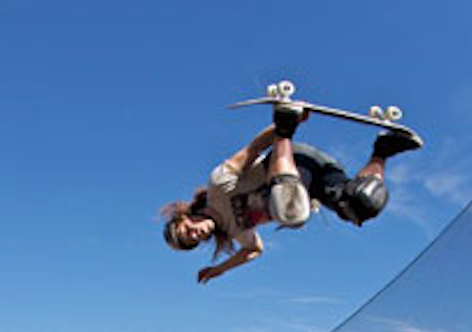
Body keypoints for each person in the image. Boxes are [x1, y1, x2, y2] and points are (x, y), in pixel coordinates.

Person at [163, 104, 421, 283]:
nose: (196, 235)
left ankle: (284, 129)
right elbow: (253, 251)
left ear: (185, 215)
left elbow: (251, 150)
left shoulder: (218, 186)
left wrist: (284, 126)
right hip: (315, 181)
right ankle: (384, 148)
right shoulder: (237, 232)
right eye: (192, 241)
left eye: (188, 230)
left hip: (293, 158)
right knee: (360, 205)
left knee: (289, 211)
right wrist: (219, 270)